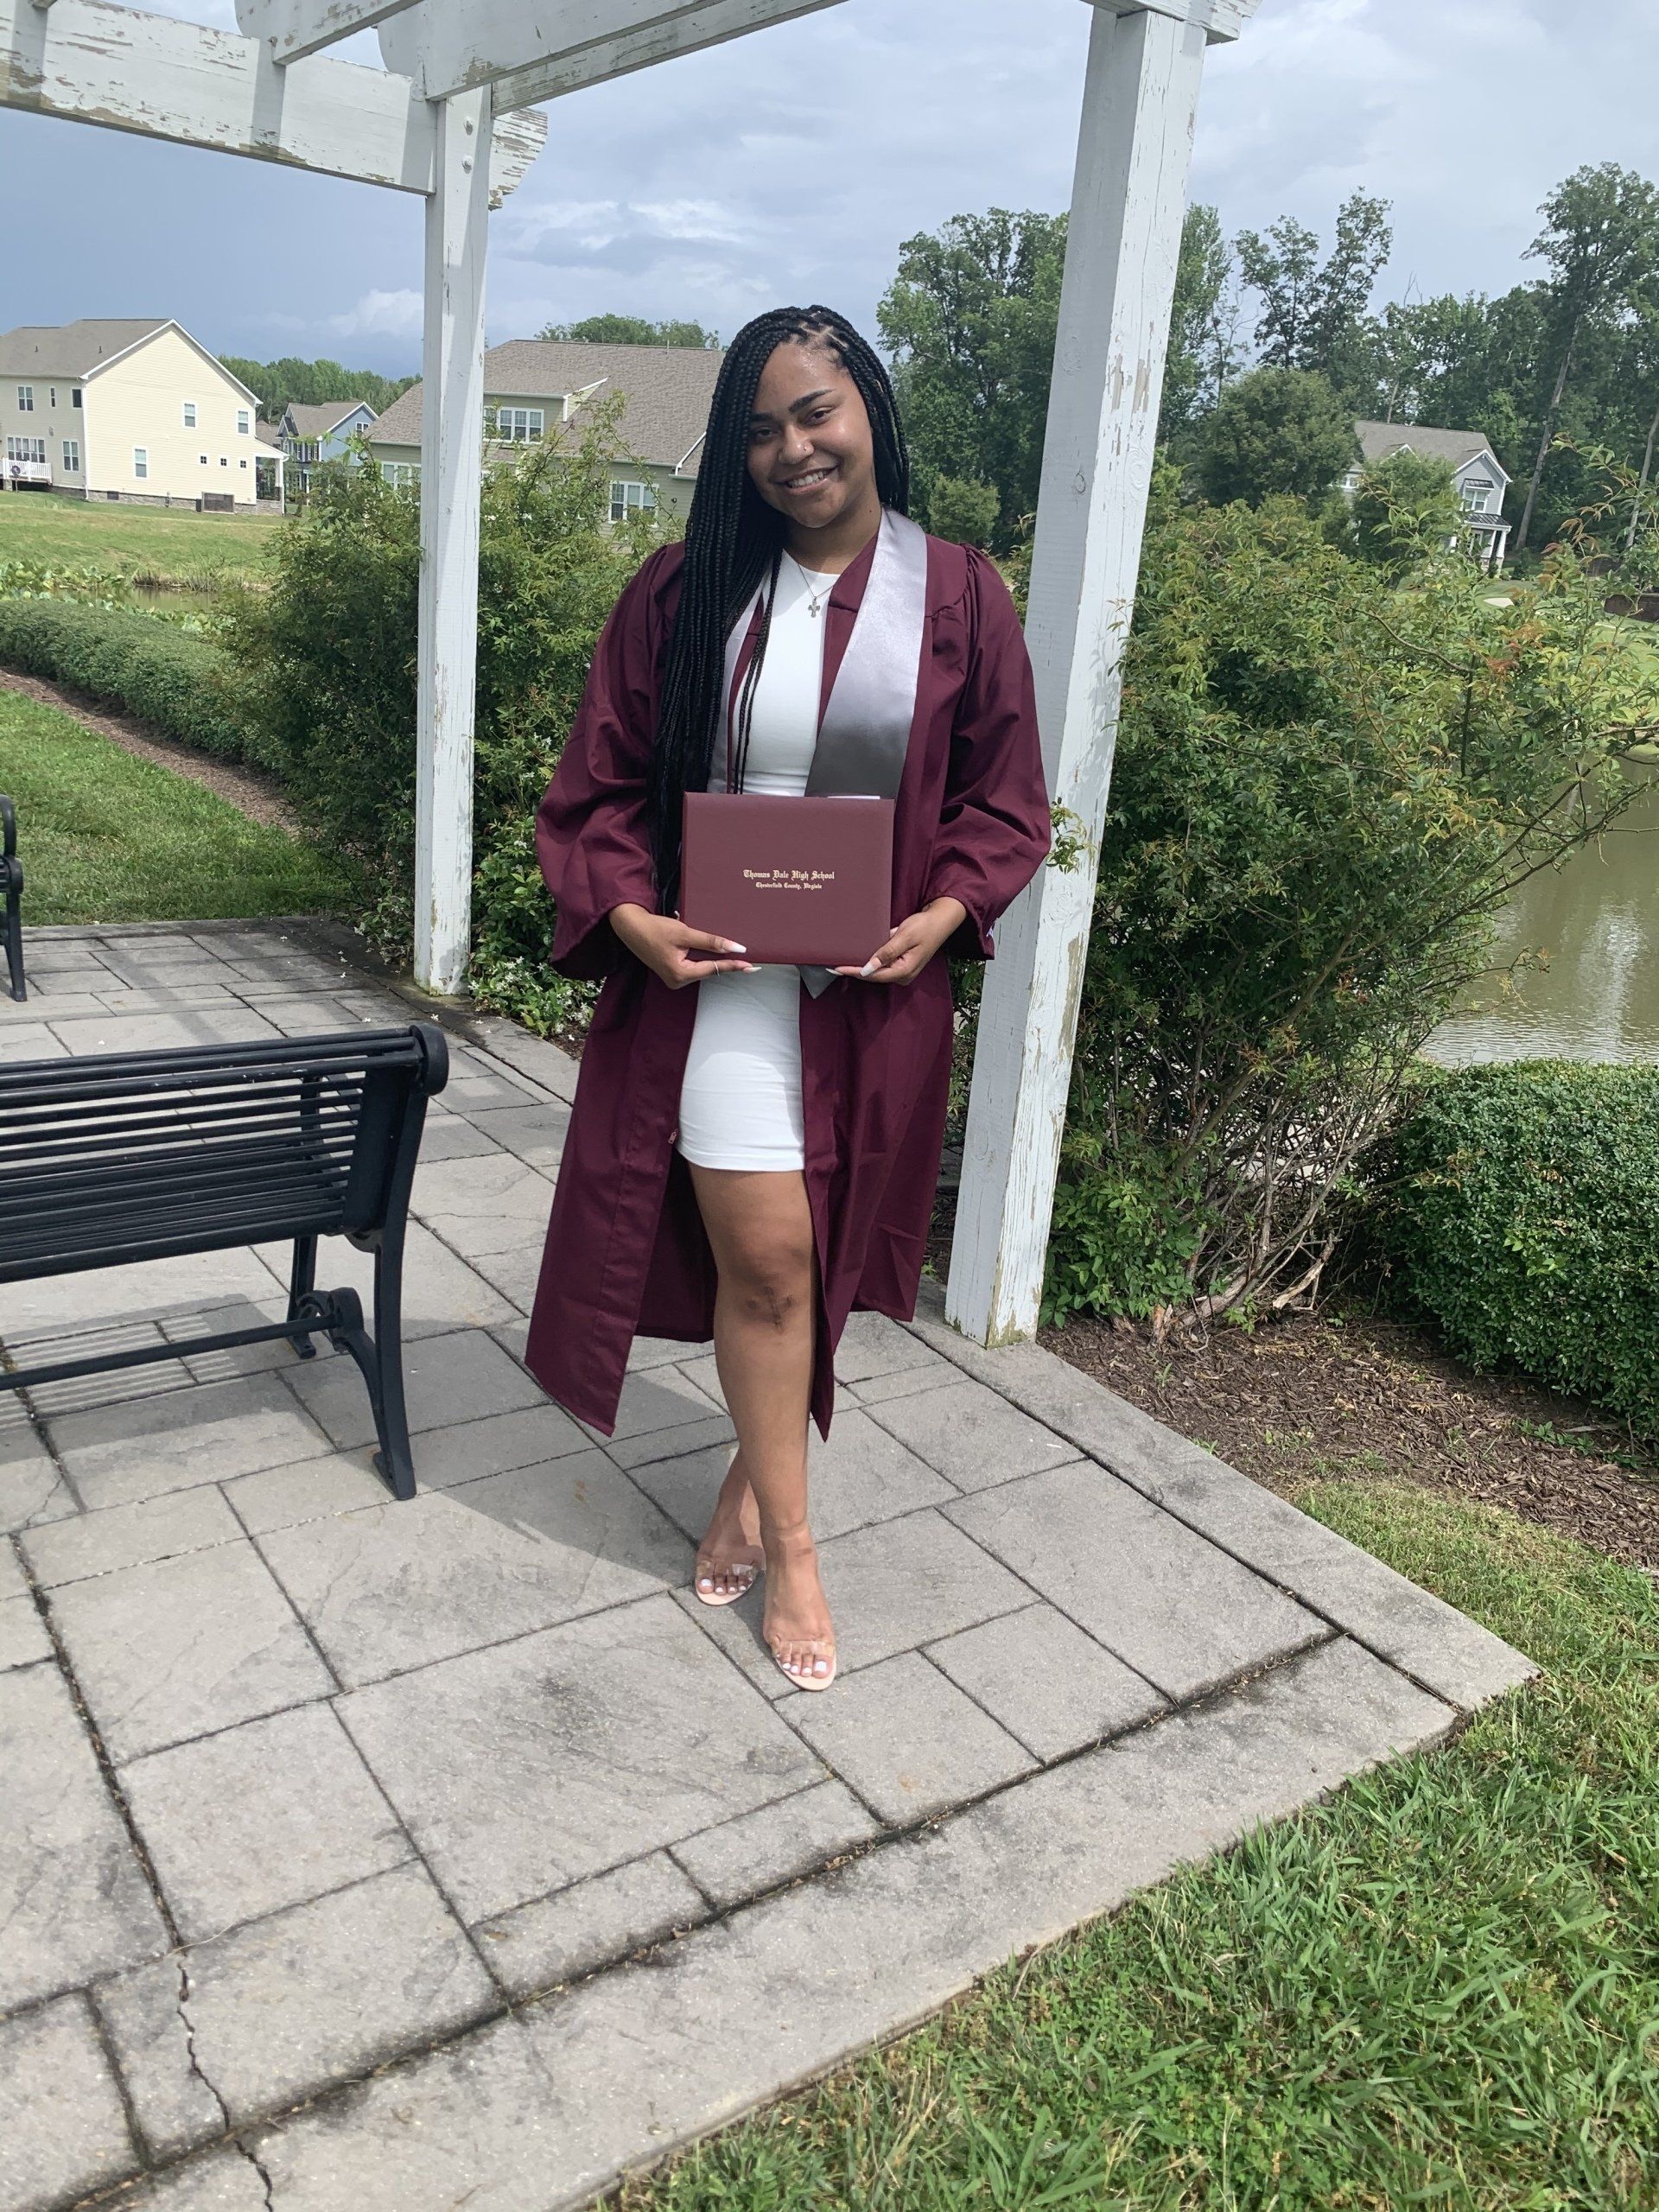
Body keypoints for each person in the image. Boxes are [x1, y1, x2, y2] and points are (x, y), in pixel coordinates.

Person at [524, 304, 1051, 1693]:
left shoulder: (958, 596)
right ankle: (802, 1549)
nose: (791, 447)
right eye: (758, 429)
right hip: (719, 987)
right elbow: (597, 786)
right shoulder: (685, 591)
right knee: (764, 1257)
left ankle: (750, 1487)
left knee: (818, 1259)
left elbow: (1007, 802)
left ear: (868, 407)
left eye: (815, 410)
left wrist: (944, 911)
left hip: (868, 993)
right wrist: (632, 917)